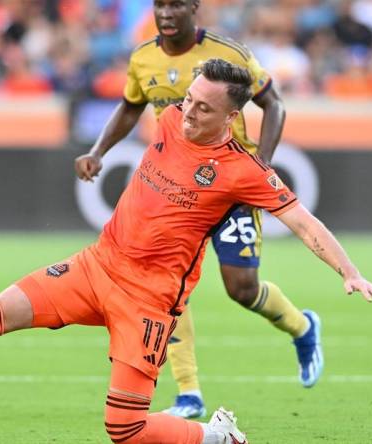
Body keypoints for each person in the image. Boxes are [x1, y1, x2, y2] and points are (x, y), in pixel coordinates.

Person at [0, 59, 372, 444]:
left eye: (203, 107)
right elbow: (128, 104)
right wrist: (97, 152)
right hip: (96, 266)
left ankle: (214, 437)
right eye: (187, 99)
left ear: (232, 117)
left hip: (147, 303)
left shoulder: (242, 170)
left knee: (123, 428)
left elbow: (301, 220)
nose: (188, 112)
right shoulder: (168, 119)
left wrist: (350, 271)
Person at [75, 0, 309, 419]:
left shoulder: (228, 55)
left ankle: (302, 327)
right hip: (173, 190)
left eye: (176, 4)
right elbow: (131, 106)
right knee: (161, 283)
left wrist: (262, 166)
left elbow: (273, 103)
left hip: (228, 187)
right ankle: (189, 392)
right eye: (159, 5)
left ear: (193, 9)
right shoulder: (142, 57)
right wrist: (97, 151)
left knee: (242, 289)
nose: (166, 13)